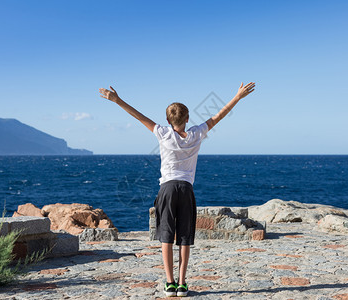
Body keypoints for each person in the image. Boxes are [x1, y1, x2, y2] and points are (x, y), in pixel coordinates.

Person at [99, 82, 256, 297]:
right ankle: (182, 283)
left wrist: (117, 100)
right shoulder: (196, 134)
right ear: (187, 119)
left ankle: (170, 283)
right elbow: (218, 116)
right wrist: (237, 97)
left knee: (166, 236)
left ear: (167, 120)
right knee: (184, 238)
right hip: (186, 189)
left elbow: (139, 116)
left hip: (167, 189)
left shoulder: (163, 133)